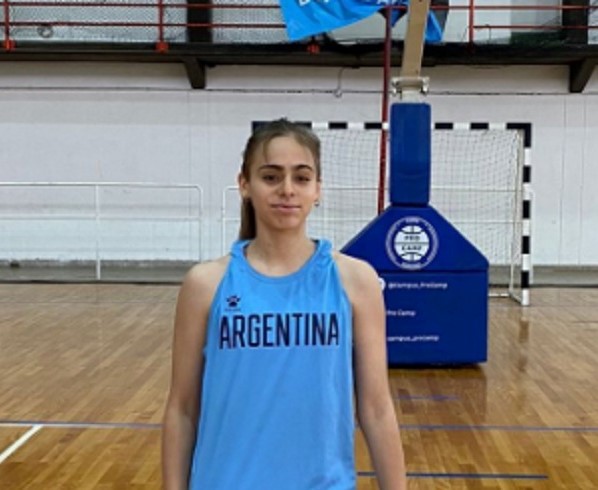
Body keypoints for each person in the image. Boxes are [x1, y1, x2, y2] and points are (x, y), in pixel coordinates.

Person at [161, 119, 407, 490]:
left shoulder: (356, 281)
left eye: (302, 178)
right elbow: (182, 409)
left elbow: (376, 408)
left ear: (318, 189)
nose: (287, 190)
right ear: (245, 184)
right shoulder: (205, 284)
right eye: (271, 177)